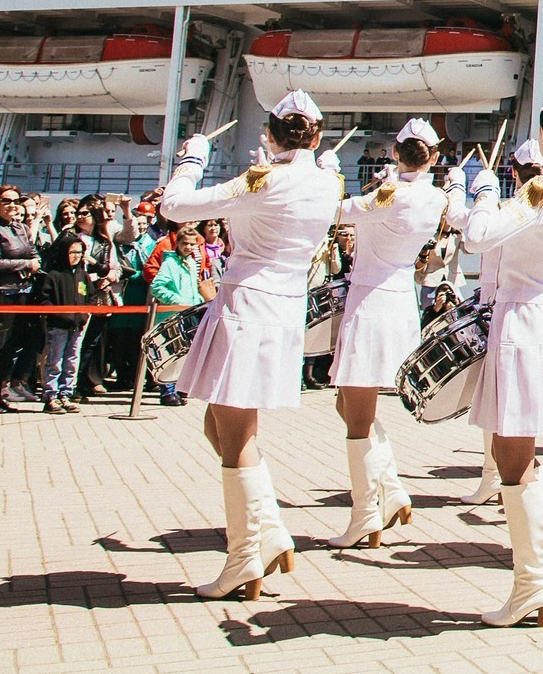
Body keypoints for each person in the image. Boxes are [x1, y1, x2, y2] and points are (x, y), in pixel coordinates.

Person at [162, 91, 342, 601]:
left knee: (235, 436)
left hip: (245, 306)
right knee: (218, 425)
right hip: (282, 307)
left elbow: (175, 207)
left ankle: (245, 556)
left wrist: (191, 160)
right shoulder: (328, 181)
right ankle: (267, 531)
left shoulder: (261, 180)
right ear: (319, 134)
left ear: (270, 134)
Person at [450, 88, 543, 627]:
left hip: (524, 320)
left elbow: (477, 237)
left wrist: (484, 192)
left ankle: (533, 583)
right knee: (524, 453)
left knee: (512, 459)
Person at [325, 119, 449, 549]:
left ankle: (365, 514)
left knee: (355, 415)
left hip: (370, 302)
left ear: (396, 153)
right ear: (433, 157)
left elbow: (335, 211)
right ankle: (391, 489)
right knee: (347, 403)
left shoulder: (386, 193)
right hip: (401, 303)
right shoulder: (435, 197)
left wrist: (327, 175)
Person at [457, 140, 543, 507]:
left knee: (499, 406)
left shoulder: (509, 210)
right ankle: (500, 477)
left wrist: (472, 192)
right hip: (533, 314)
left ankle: (508, 479)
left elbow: (467, 230)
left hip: (504, 310)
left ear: (513, 173)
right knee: (515, 409)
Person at [0, 184, 43, 411]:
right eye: (6, 201)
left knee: (13, 346)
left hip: (23, 292)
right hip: (2, 294)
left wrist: (33, 262)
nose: (12, 205)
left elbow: (33, 251)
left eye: (15, 201)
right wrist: (27, 264)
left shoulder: (20, 228)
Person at [149, 223, 209, 405]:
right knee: (171, 353)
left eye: (192, 244)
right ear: (178, 243)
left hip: (188, 313)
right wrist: (176, 300)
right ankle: (166, 390)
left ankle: (179, 387)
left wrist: (197, 302)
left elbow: (193, 287)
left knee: (185, 353)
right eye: (185, 243)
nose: (189, 247)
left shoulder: (191, 263)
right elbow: (156, 287)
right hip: (172, 313)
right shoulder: (169, 263)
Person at [36, 233, 95, 413]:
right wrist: (60, 314)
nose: (76, 256)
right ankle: (51, 396)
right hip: (58, 326)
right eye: (72, 252)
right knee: (55, 361)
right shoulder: (53, 275)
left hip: (77, 326)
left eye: (79, 252)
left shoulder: (83, 275)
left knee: (72, 360)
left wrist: (85, 313)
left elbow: (91, 297)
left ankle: (66, 394)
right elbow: (44, 300)